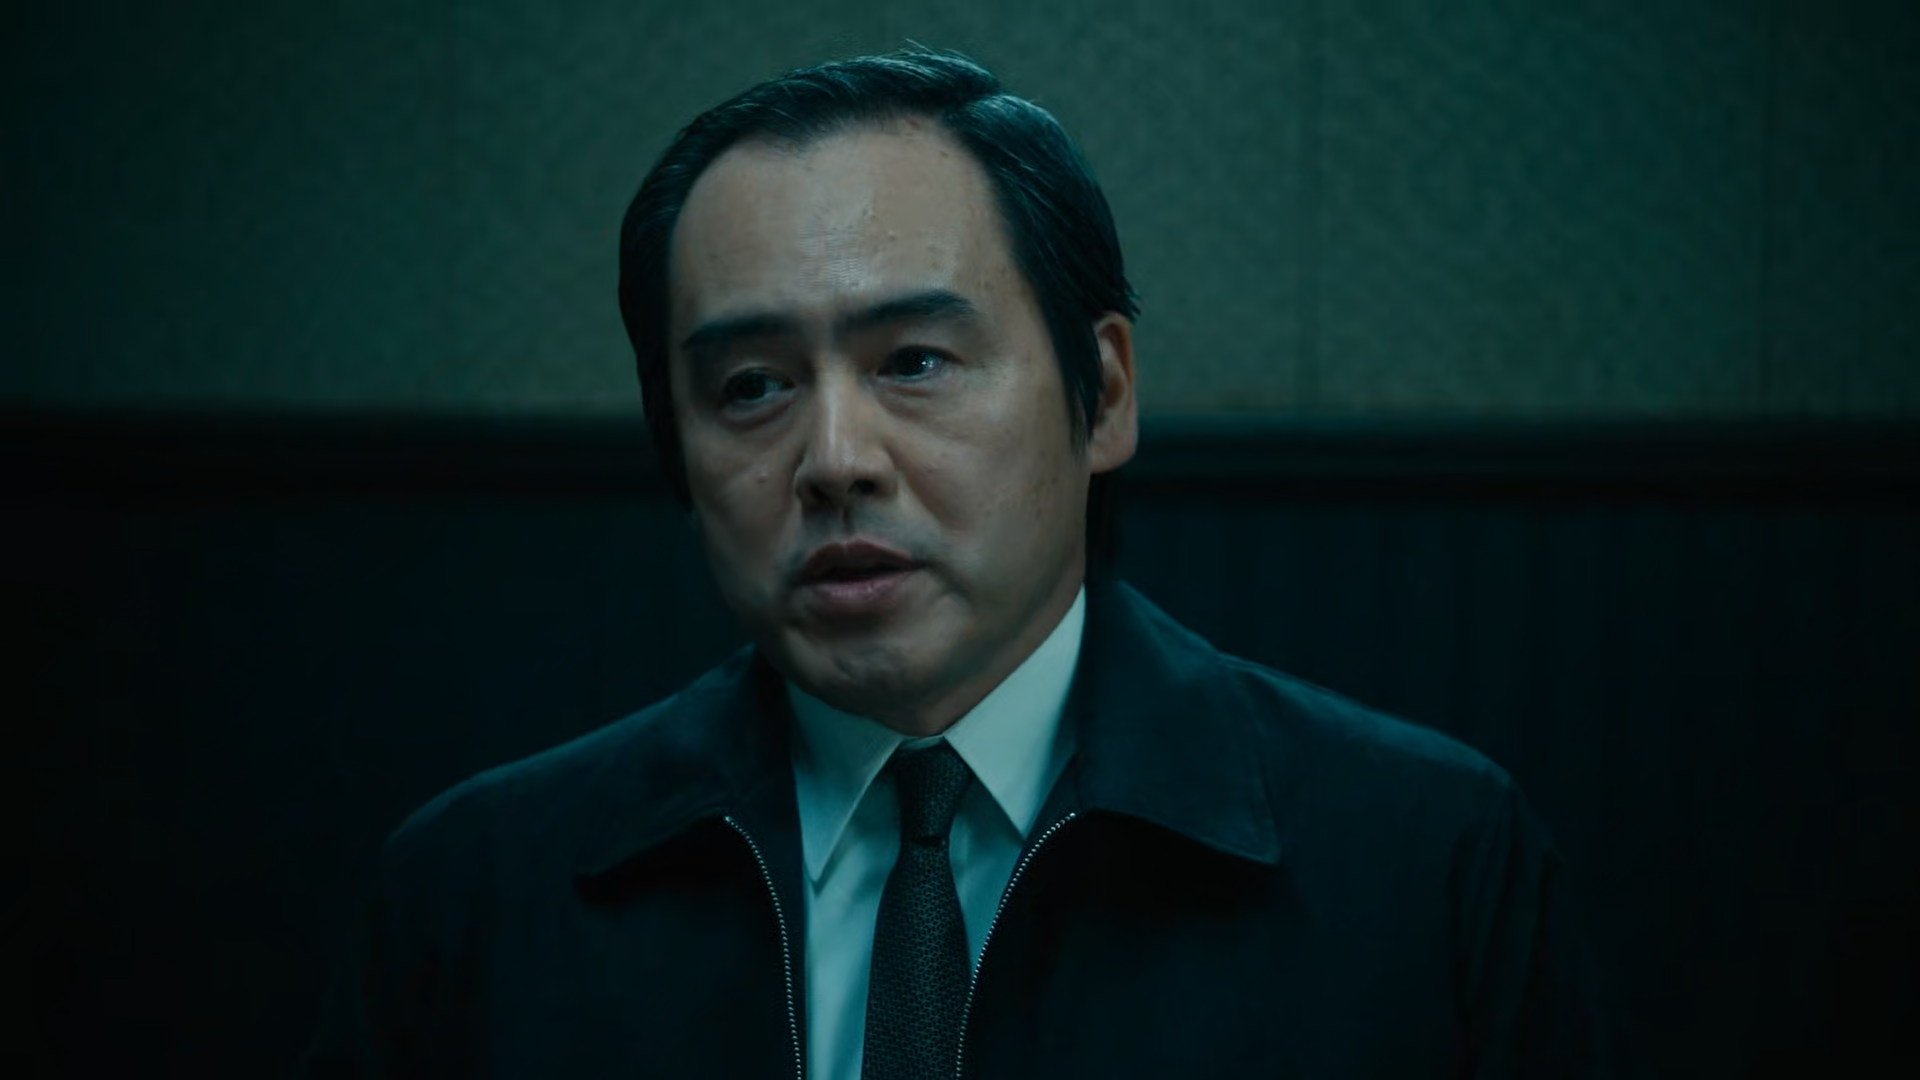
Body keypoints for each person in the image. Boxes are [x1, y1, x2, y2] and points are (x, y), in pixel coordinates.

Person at [297, 47, 1645, 1079]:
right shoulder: (478, 895)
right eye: (751, 386)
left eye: (916, 362)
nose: (835, 459)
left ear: (1102, 393)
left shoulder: (1423, 864)